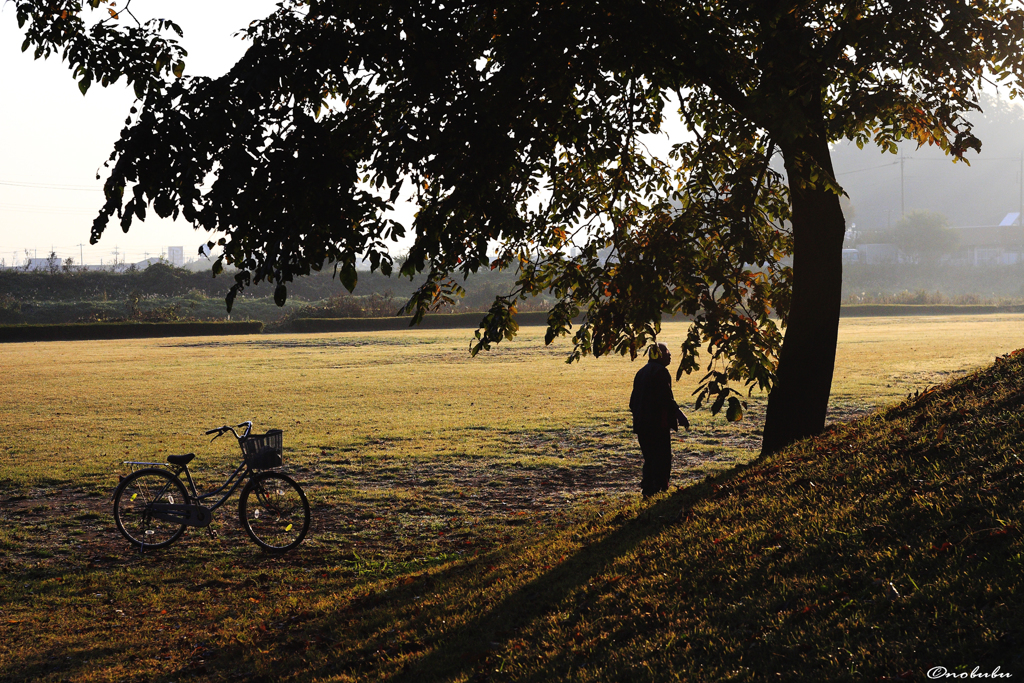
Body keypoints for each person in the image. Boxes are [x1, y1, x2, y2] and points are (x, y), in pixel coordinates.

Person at [629, 342, 689, 497]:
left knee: (649, 457)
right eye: (667, 352)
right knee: (662, 457)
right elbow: (665, 399)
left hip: (641, 424)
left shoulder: (641, 372)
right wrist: (679, 415)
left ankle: (648, 488)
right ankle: (659, 488)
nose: (670, 355)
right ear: (659, 355)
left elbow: (632, 401)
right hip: (656, 424)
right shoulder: (661, 372)